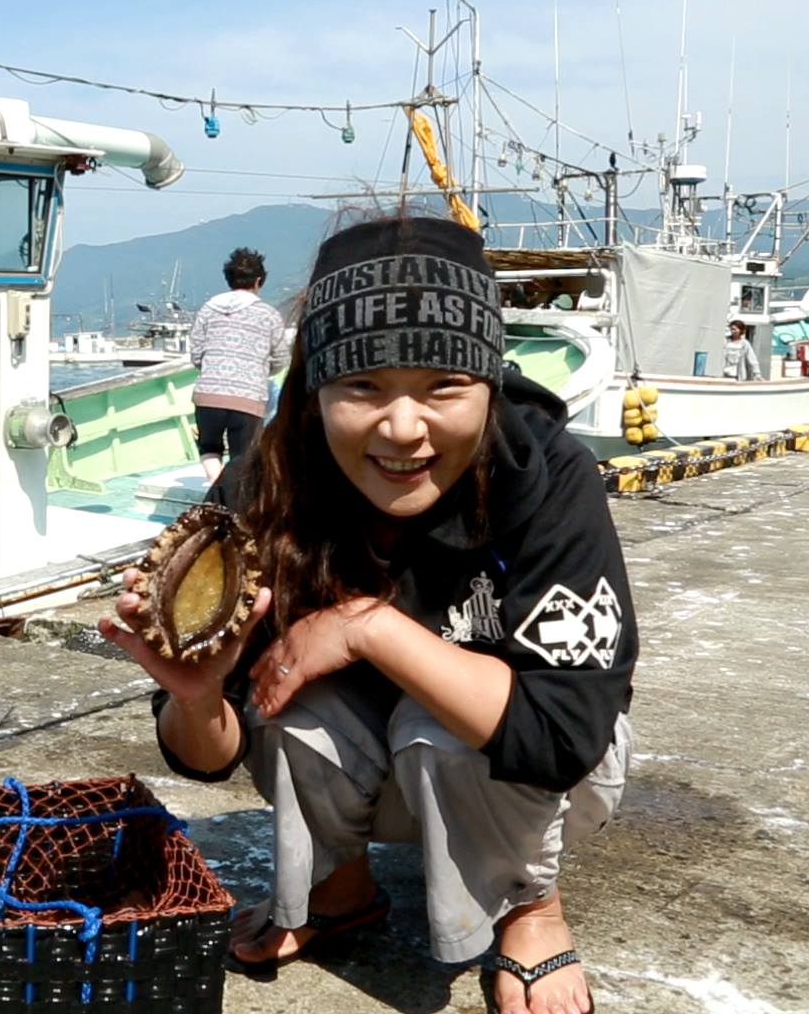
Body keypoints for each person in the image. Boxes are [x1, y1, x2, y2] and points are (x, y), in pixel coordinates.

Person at [102, 215, 635, 1014]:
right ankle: (337, 889)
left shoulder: (546, 473)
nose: (403, 430)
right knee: (286, 699)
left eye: (443, 388)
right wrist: (197, 696)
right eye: (363, 388)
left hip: (537, 775)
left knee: (440, 721)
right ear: (315, 390)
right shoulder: (262, 487)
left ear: (488, 383)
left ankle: (530, 908)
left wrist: (366, 627)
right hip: (372, 768)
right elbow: (208, 758)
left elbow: (565, 734)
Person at [190, 248, 289, 482]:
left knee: (209, 448)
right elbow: (281, 359)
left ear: (229, 279)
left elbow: (196, 355)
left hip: (208, 395)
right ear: (259, 280)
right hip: (248, 397)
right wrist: (260, 371)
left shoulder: (208, 309)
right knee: (243, 458)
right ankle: (236, 500)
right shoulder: (268, 314)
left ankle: (216, 485)